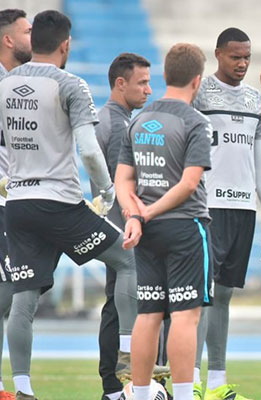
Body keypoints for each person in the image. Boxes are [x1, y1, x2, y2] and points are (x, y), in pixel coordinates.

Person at [0, 10, 138, 400]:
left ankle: (22, 388)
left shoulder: (5, 84)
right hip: (60, 201)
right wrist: (107, 192)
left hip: (19, 204)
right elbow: (90, 152)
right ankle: (127, 357)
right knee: (128, 259)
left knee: (23, 296)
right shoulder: (70, 84)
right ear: (66, 45)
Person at [115, 42, 213, 400]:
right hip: (185, 227)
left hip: (147, 233)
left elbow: (122, 180)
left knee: (149, 314)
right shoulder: (195, 122)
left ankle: (140, 395)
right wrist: (148, 212)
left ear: (164, 76)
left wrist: (135, 216)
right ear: (197, 81)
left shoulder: (138, 119)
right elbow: (189, 184)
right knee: (186, 317)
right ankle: (184, 395)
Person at [191, 27, 261, 400]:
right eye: (235, 57)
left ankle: (216, 383)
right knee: (201, 295)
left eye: (247, 57)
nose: (242, 64)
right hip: (207, 207)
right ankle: (189, 380)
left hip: (243, 209)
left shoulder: (255, 99)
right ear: (217, 54)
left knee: (223, 295)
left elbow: (259, 159)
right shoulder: (199, 94)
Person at [95, 53, 170, 400]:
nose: (148, 90)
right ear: (120, 83)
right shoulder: (113, 123)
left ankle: (116, 384)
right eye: (141, 82)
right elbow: (123, 183)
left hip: (122, 228)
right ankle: (119, 383)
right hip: (125, 229)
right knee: (132, 304)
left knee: (117, 302)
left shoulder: (122, 121)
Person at [0, 8, 30, 400]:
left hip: (15, 201)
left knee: (9, 295)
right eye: (27, 31)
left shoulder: (18, 83)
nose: (32, 37)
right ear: (8, 39)